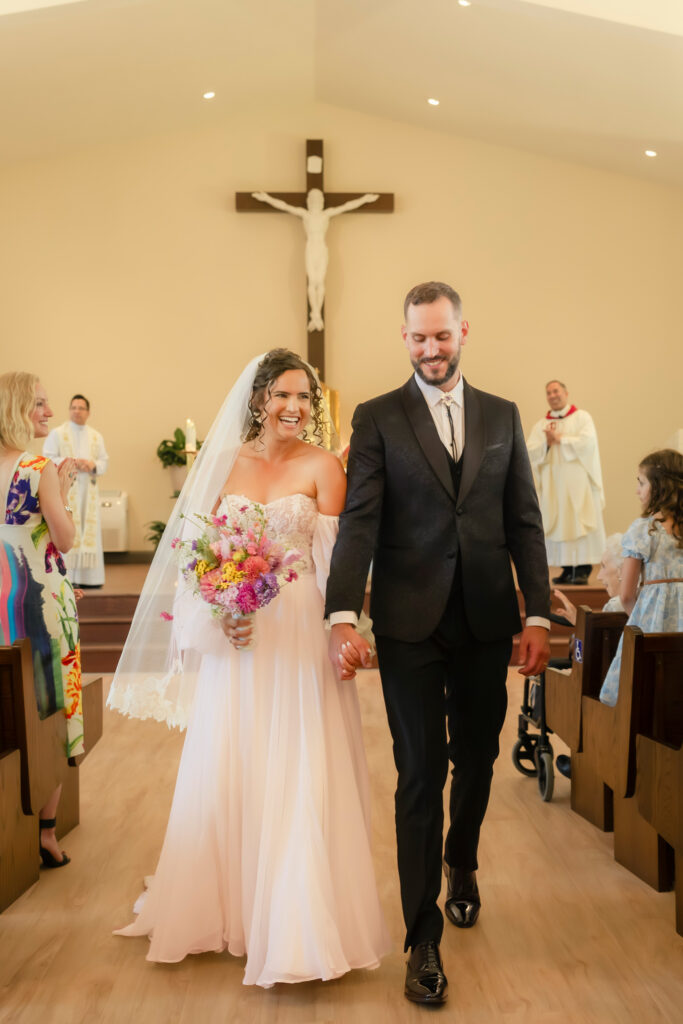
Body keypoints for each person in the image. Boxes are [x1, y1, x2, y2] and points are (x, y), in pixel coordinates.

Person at [107, 349, 390, 987]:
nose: (295, 407)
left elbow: (340, 564)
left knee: (298, 762)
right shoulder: (223, 464)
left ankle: (296, 925)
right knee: (234, 757)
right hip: (240, 638)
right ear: (259, 399)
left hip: (300, 633)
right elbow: (194, 560)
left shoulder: (324, 467)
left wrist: (343, 631)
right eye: (283, 395)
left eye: (304, 398)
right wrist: (219, 616)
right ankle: (231, 905)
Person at [325, 282, 551, 1006]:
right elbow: (360, 522)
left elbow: (523, 521)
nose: (430, 349)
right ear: (404, 339)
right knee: (419, 774)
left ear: (462, 333)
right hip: (408, 623)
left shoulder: (502, 415)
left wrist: (539, 616)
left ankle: (462, 859)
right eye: (418, 337)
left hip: (486, 619)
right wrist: (341, 613)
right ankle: (422, 939)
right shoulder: (377, 417)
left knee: (477, 759)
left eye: (441, 335)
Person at [0, 371, 83, 868]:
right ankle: (45, 833)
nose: (48, 412)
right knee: (50, 708)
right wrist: (64, 492)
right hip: (39, 604)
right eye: (39, 404)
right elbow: (65, 539)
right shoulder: (38, 467)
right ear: (14, 409)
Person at [599, 449, 683, 706]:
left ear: (658, 486)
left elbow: (626, 595)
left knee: (646, 691)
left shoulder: (644, 530)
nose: (637, 490)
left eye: (641, 482)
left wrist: (642, 620)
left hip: (654, 623)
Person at [550, 534, 625, 779]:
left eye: (603, 567)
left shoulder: (616, 606)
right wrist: (580, 622)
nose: (599, 576)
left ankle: (585, 760)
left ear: (622, 571)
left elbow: (586, 654)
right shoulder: (650, 601)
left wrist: (580, 630)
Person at [526, 379, 606, 585]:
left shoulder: (582, 418)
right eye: (549, 393)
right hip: (554, 485)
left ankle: (583, 568)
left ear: (566, 393)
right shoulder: (541, 425)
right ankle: (566, 568)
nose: (552, 395)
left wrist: (561, 438)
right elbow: (530, 451)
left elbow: (588, 443)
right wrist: (547, 443)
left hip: (578, 484)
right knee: (558, 521)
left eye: (556, 391)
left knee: (579, 520)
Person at [43, 394, 109, 587]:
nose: (77, 411)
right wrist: (71, 462)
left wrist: (92, 464)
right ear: (69, 410)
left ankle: (90, 579)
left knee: (88, 530)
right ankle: (69, 577)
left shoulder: (96, 436)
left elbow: (104, 461)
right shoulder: (57, 433)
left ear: (88, 412)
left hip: (88, 489)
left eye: (81, 408)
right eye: (73, 407)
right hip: (67, 489)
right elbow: (47, 458)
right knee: (68, 526)